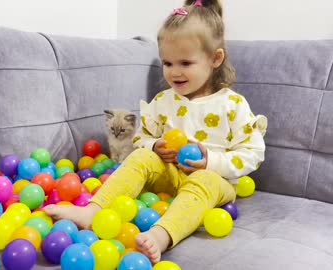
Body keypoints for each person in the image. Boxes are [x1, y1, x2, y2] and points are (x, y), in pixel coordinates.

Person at [44, 0, 267, 263]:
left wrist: (212, 162)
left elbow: (253, 152)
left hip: (214, 180)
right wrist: (154, 146)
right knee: (139, 158)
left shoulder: (232, 105)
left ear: (215, 58)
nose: (174, 72)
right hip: (169, 175)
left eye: (185, 62)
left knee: (203, 182)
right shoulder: (163, 101)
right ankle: (93, 210)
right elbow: (141, 139)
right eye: (167, 63)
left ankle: (161, 235)